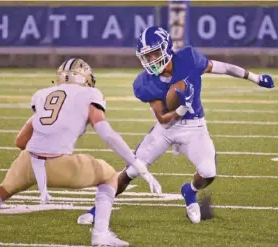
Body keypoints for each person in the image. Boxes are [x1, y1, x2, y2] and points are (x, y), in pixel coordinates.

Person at [77, 26, 275, 225]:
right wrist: (183, 106)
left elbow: (223, 67)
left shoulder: (189, 58)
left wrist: (255, 78)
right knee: (132, 171)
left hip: (195, 127)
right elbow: (164, 119)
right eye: (146, 56)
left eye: (154, 53)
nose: (151, 60)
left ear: (167, 48)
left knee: (208, 172)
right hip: (166, 130)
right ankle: (97, 210)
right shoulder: (145, 82)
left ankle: (190, 191)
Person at [0, 58, 162, 246]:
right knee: (109, 175)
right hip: (59, 165)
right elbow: (108, 135)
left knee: (2, 190)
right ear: (83, 78)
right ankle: (100, 234)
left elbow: (21, 141)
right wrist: (138, 166)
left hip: (29, 161)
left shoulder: (43, 94)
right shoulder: (90, 94)